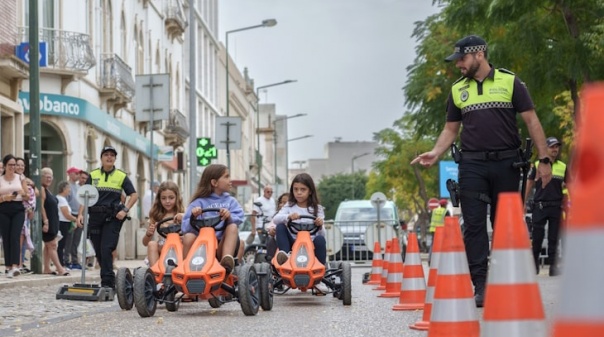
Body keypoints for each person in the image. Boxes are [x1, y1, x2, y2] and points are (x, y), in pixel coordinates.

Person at [410, 35, 552, 308]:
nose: (458, 65)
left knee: (505, 226)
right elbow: (451, 129)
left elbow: (531, 120)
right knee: (474, 225)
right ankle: (481, 286)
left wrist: (544, 159)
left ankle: (507, 282)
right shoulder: (457, 90)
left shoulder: (510, 82)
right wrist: (436, 152)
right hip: (472, 164)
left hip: (508, 163)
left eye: (462, 59)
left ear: (479, 54)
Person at [77, 146, 138, 290]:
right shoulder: (93, 175)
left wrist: (125, 209)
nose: (109, 157)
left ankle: (107, 282)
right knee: (98, 249)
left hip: (113, 217)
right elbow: (85, 195)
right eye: (106, 154)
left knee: (106, 248)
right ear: (101, 158)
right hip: (95, 217)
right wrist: (80, 214)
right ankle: (108, 277)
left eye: (112, 155)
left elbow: (134, 195)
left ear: (115, 158)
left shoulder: (121, 176)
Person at [181, 164, 244, 275]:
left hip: (221, 246)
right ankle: (186, 269)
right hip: (202, 248)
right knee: (188, 237)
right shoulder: (198, 202)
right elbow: (184, 227)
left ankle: (226, 263)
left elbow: (240, 217)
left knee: (233, 226)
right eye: (226, 176)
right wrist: (194, 216)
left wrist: (229, 216)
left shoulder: (230, 201)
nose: (230, 180)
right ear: (214, 183)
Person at [525, 137, 567, 276]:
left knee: (554, 238)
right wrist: (523, 202)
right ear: (546, 149)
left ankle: (553, 266)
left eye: (557, 147)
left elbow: (570, 186)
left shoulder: (563, 166)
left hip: (556, 207)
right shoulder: (537, 165)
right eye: (552, 147)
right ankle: (534, 264)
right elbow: (529, 184)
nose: (555, 149)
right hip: (540, 206)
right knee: (537, 237)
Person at [273, 173, 327, 267]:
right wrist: (288, 217)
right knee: (280, 227)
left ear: (310, 191)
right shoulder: (289, 206)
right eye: (296, 189)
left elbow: (323, 234)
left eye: (303, 189)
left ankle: (320, 265)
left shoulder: (317, 209)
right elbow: (276, 219)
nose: (299, 192)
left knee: (320, 239)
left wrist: (320, 225)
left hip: (311, 244)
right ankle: (285, 256)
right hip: (293, 244)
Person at [0, 154, 30, 278]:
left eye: (14, 164)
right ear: (5, 166)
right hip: (3, 208)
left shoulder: (20, 177)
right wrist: (4, 198)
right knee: (6, 237)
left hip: (18, 208)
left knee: (15, 236)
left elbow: (27, 195)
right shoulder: (0, 179)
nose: (13, 167)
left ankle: (15, 265)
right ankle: (7, 266)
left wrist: (22, 193)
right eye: (10, 165)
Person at [142, 181, 185, 267]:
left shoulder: (183, 213)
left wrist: (184, 217)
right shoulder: (156, 215)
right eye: (164, 198)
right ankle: (155, 273)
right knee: (152, 244)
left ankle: (183, 269)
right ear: (159, 199)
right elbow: (145, 243)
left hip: (180, 246)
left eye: (171, 198)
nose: (167, 201)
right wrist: (148, 234)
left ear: (177, 198)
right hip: (162, 248)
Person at [40, 168, 69, 276]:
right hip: (47, 222)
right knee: (52, 245)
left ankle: (47, 268)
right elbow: (41, 206)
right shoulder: (42, 189)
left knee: (49, 246)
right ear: (41, 177)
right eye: (46, 177)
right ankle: (60, 269)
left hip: (53, 222)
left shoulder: (48, 190)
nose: (49, 179)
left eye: (50, 177)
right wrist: (46, 221)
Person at [15, 157, 35, 273]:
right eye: (18, 165)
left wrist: (30, 208)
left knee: (22, 240)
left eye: (22, 165)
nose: (20, 167)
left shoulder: (25, 179)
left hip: (25, 214)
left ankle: (20, 263)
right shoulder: (13, 179)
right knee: (18, 240)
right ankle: (16, 264)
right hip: (15, 211)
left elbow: (32, 194)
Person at [56, 181, 79, 269]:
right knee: (61, 245)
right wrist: (75, 219)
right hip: (62, 223)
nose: (70, 190)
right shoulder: (61, 199)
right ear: (64, 189)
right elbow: (66, 214)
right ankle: (61, 264)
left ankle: (61, 263)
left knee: (62, 245)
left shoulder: (63, 199)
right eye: (68, 188)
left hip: (65, 223)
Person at [64, 167, 82, 270]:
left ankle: (75, 260)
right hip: (70, 215)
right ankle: (67, 260)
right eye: (76, 173)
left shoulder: (79, 187)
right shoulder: (67, 186)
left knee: (76, 240)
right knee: (69, 239)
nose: (78, 176)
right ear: (70, 174)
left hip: (78, 215)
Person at [266, 193, 289, 260]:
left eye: (285, 203)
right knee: (271, 240)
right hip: (279, 241)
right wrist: (271, 230)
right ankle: (272, 259)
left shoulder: (295, 214)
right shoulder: (277, 216)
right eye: (280, 202)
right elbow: (271, 226)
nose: (281, 205)